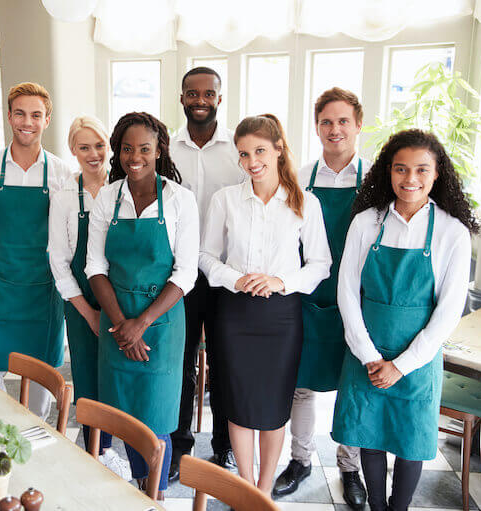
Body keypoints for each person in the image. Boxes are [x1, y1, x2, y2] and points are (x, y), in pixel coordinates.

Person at [333, 129, 476, 511]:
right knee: (371, 435)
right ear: (388, 172)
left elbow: (449, 311)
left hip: (419, 358)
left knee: (411, 441)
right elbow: (347, 292)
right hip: (368, 352)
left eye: (421, 170)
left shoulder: (452, 232)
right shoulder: (367, 222)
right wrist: (368, 355)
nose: (409, 179)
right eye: (400, 169)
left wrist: (402, 364)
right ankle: (377, 507)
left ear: (437, 174)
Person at [200, 114, 331, 493]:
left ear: (278, 149)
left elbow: (321, 264)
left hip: (281, 316)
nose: (251, 161)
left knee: (275, 407)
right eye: (243, 154)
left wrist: (281, 281)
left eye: (259, 150)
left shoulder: (306, 202)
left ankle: (263, 485)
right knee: (238, 402)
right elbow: (205, 256)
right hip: (234, 314)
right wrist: (235, 278)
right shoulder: (226, 199)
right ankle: (245, 487)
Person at [86, 112, 199, 500]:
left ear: (159, 151)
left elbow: (186, 273)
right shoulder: (107, 196)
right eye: (127, 148)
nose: (135, 156)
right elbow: (95, 266)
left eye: (145, 149)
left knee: (157, 415)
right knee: (126, 413)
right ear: (118, 151)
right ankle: (139, 487)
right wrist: (121, 324)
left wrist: (142, 323)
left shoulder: (180, 200)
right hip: (115, 318)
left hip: (162, 323)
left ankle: (155, 497)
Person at [274, 87, 368, 507]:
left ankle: (350, 468)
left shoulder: (375, 184)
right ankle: (300, 460)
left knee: (354, 387)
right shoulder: (299, 180)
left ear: (358, 125)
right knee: (303, 387)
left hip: (359, 301)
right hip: (309, 297)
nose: (335, 129)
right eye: (326, 121)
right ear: (316, 127)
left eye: (343, 121)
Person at [0, 82, 73, 419]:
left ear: (47, 120)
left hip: (44, 291)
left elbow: (69, 236)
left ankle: (35, 430)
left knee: (42, 372)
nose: (28, 122)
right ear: (9, 117)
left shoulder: (60, 172)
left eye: (36, 115)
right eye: (21, 113)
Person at [168, 66, 246, 480]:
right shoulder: (167, 148)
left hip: (223, 274)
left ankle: (224, 447)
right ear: (182, 98)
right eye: (192, 93)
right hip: (177, 276)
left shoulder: (238, 148)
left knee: (224, 361)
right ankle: (180, 444)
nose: (200, 100)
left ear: (219, 97)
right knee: (180, 363)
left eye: (208, 93)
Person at [48, 115, 130, 479]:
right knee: (88, 376)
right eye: (84, 147)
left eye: (99, 145)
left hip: (123, 300)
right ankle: (96, 453)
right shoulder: (66, 196)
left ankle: (121, 447)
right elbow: (59, 261)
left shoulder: (123, 189)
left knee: (121, 376)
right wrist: (87, 312)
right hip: (82, 303)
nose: (94, 154)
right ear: (72, 151)